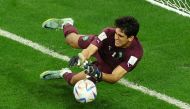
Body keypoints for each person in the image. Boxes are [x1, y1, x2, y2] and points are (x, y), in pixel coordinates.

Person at [40, 16, 143, 85]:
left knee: (74, 81)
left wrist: (98, 74)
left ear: (130, 38)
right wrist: (81, 57)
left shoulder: (134, 54)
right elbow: (90, 49)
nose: (116, 37)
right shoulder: (108, 32)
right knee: (71, 41)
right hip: (101, 47)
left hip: (107, 65)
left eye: (120, 36)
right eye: (116, 33)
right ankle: (66, 24)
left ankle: (63, 73)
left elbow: (115, 77)